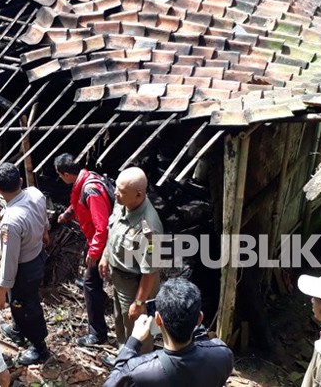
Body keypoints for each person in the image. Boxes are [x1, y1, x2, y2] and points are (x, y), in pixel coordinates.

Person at [103, 277, 234, 386]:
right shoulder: (223, 355)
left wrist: (132, 343)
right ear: (200, 318)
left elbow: (110, 383)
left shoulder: (137, 371)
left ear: (158, 319)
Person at [99, 167, 163, 367]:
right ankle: (123, 358)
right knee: (120, 319)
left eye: (122, 191)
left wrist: (139, 301)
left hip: (136, 285)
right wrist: (105, 256)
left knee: (139, 328)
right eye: (116, 188)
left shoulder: (149, 229)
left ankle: (140, 368)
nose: (116, 193)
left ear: (139, 194)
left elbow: (151, 271)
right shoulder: (122, 203)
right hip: (119, 278)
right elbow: (114, 231)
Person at [0, 162, 51, 366]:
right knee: (21, 305)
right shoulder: (35, 193)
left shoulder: (11, 221)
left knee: (26, 306)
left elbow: (9, 259)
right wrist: (44, 231)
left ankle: (39, 347)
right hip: (37, 256)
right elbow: (43, 216)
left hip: (24, 270)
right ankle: (18, 330)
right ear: (20, 181)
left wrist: (1, 290)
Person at [54, 153, 112, 346]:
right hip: (95, 238)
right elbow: (77, 204)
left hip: (102, 242)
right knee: (91, 282)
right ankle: (102, 299)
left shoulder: (91, 190)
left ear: (66, 174)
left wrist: (94, 253)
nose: (60, 180)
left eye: (60, 176)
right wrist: (67, 215)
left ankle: (97, 334)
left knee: (90, 284)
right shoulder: (84, 181)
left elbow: (102, 227)